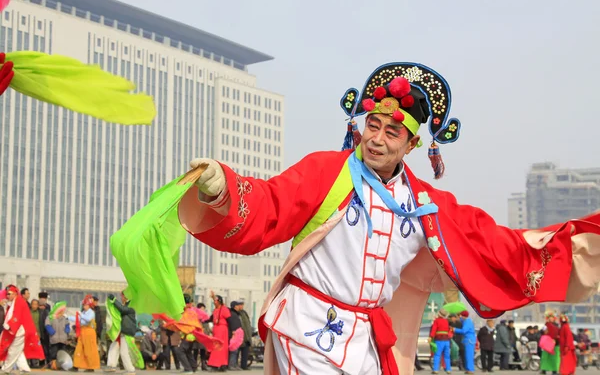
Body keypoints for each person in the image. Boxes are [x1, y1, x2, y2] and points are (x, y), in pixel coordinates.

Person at [176, 62, 600, 375]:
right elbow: (271, 203)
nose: (376, 139)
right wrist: (223, 188)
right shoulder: (329, 171)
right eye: (371, 125)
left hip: (366, 340)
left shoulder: (424, 205)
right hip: (307, 327)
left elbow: (494, 244)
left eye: (390, 132)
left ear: (413, 142)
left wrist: (579, 245)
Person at [0, 285, 45, 373]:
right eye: (7, 294)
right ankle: (25, 368)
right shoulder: (14, 302)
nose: (8, 296)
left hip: (20, 330)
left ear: (14, 294)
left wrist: (8, 325)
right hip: (19, 330)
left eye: (9, 294)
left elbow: (16, 317)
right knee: (18, 351)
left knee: (13, 350)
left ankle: (6, 369)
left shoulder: (19, 302)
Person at [105, 292, 140, 375]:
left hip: (127, 332)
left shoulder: (131, 306)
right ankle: (111, 366)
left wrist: (114, 300)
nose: (121, 298)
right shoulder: (127, 305)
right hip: (122, 331)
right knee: (114, 347)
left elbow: (122, 309)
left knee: (124, 352)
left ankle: (131, 370)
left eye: (122, 296)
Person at [68, 295, 100, 372]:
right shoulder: (83, 312)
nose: (84, 306)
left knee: (89, 350)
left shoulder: (91, 312)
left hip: (89, 333)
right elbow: (79, 320)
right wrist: (67, 317)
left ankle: (91, 367)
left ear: (89, 305)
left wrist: (81, 315)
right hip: (82, 332)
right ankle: (76, 366)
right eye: (84, 304)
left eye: (85, 305)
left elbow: (88, 319)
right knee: (79, 349)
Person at [205, 293, 230, 371]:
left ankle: (218, 364)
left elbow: (230, 319)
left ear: (219, 301)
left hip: (222, 329)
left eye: (216, 301)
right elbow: (210, 319)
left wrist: (233, 331)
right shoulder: (215, 310)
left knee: (220, 346)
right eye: (214, 301)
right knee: (216, 346)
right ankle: (219, 364)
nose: (214, 302)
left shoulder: (224, 309)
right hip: (216, 329)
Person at [430, 309, 451, 374]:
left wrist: (431, 337)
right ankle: (448, 370)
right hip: (447, 340)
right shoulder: (446, 321)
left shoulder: (436, 321)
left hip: (439, 340)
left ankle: (436, 369)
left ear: (439, 314)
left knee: (437, 355)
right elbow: (448, 330)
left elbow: (434, 329)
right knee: (447, 356)